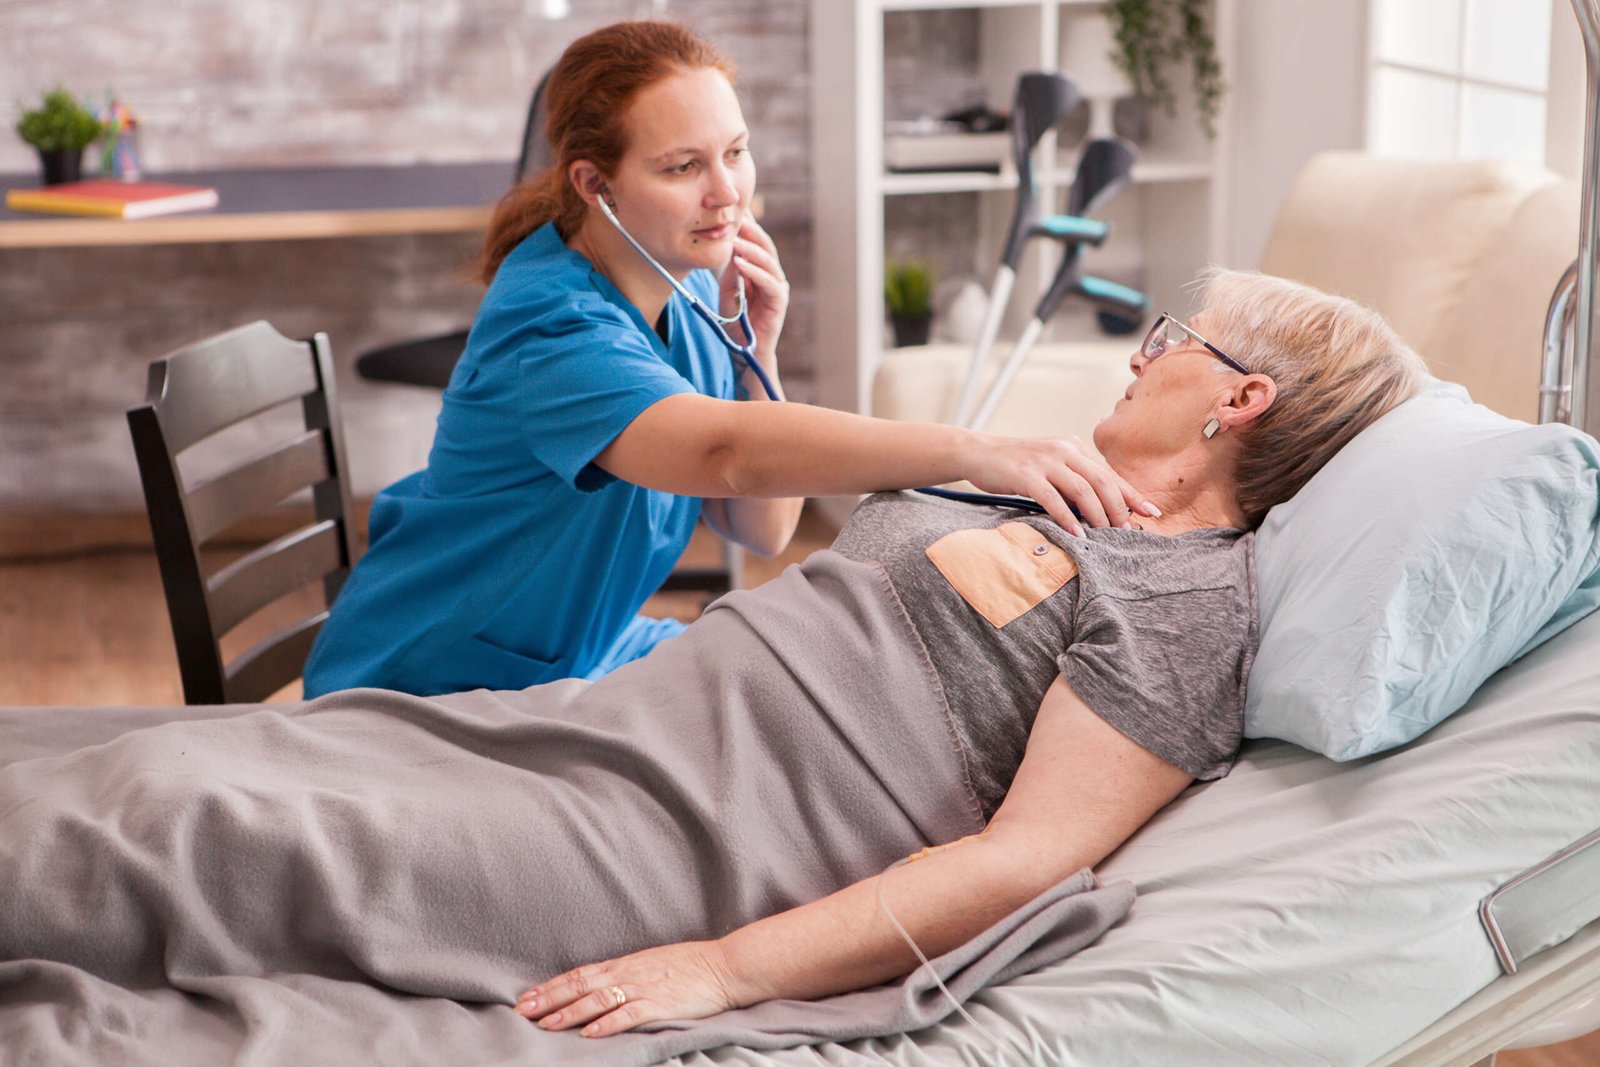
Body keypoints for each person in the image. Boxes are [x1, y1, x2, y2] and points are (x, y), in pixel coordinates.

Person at [0, 272, 1428, 1053]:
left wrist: (725, 964)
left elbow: (1024, 860)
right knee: (151, 760)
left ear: (1241, 400)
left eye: (1178, 338)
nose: (1142, 351)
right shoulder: (1044, 486)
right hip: (609, 722)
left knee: (192, 825)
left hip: (682, 832)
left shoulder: (1186, 601)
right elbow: (772, 541)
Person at [301, 20, 1156, 699]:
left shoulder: (689, 292)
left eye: (735, 152)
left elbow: (761, 525)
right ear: (594, 184)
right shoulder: (551, 328)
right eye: (684, 166)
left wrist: (759, 355)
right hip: (435, 678)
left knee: (796, 684)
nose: (728, 192)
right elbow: (730, 454)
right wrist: (976, 450)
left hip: (574, 651)